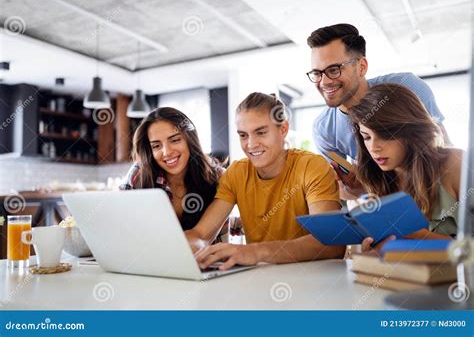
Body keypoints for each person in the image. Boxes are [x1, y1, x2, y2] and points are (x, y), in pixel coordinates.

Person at [185, 92, 346, 271]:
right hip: (261, 282)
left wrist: (254, 252)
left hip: (313, 280)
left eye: (260, 132)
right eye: (243, 135)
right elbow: (201, 234)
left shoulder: (311, 166)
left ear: (283, 129)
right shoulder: (236, 173)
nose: (251, 144)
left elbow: (331, 243)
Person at [306, 23, 450, 198]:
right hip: (391, 204)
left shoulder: (405, 87)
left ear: (361, 66)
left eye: (334, 70)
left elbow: (444, 149)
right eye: (317, 73)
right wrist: (356, 188)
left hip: (435, 190)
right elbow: (347, 190)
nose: (324, 82)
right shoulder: (324, 129)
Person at [347, 84, 461, 251]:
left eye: (385, 135)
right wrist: (374, 251)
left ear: (411, 131)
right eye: (367, 137)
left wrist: (419, 237)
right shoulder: (377, 181)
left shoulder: (455, 163)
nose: (374, 147)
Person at [120, 107, 222, 231]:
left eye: (175, 140)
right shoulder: (138, 174)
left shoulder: (217, 177)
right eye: (156, 146)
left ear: (190, 139)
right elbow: (123, 226)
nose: (167, 152)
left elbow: (222, 233)